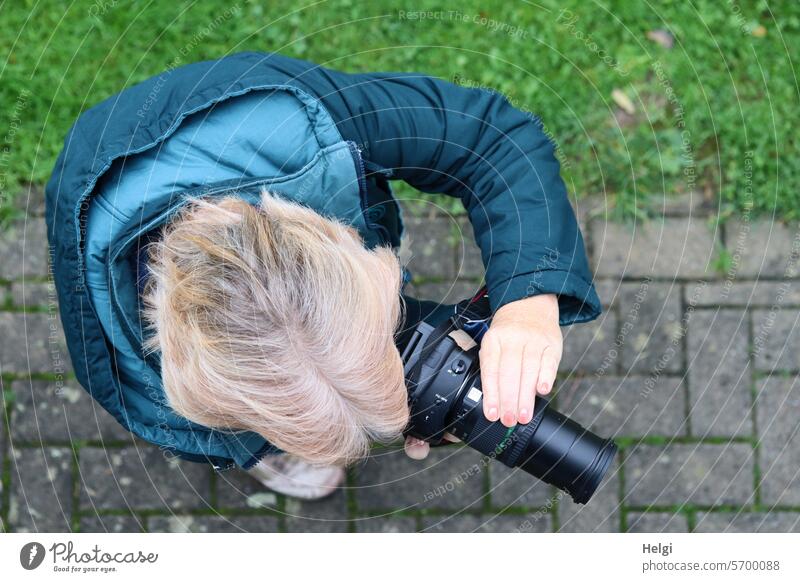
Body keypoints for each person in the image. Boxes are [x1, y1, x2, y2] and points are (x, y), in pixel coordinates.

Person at [46, 51, 601, 500]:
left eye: (384, 327)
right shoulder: (132, 384)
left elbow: (489, 139)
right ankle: (286, 443)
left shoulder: (311, 120)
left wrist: (528, 297)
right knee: (297, 408)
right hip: (106, 167)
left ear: (337, 236)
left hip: (233, 120)